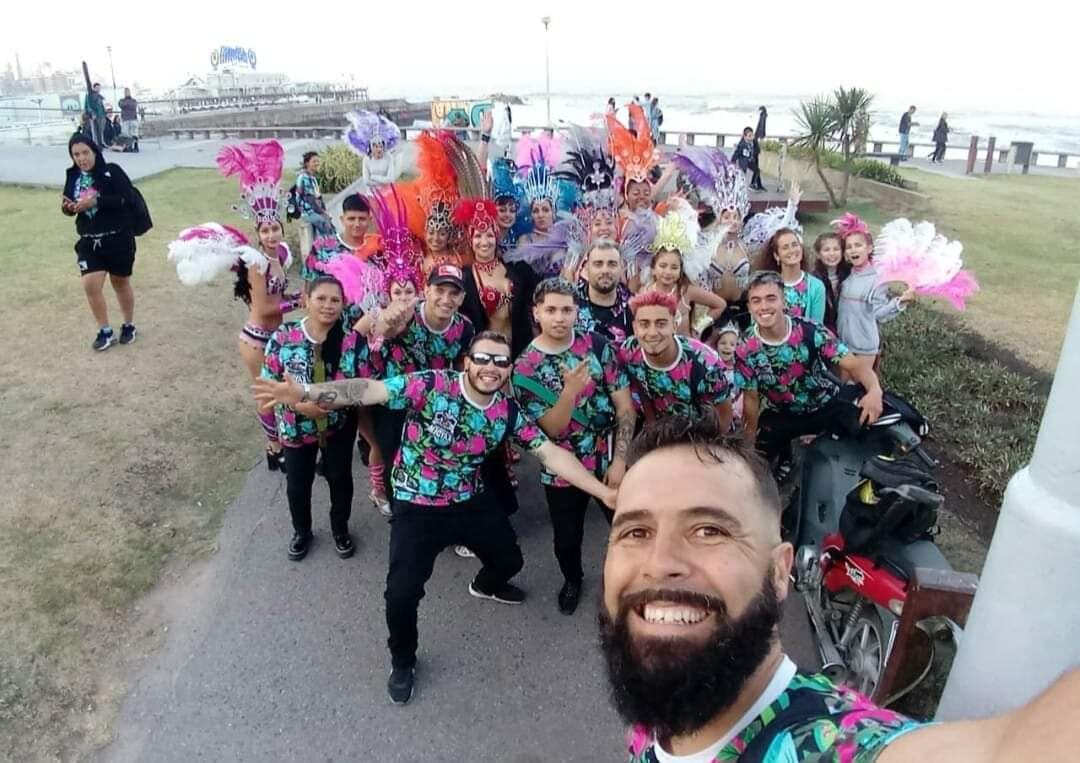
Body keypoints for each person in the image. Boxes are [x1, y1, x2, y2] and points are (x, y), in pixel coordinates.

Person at [603, 414, 1080, 761]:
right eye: (635, 532)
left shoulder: (833, 744)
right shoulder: (665, 695)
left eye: (709, 530)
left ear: (778, 571)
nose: (659, 563)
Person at [253, 330, 618, 705]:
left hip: (467, 500)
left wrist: (601, 491)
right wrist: (306, 394)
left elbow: (552, 455)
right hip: (416, 504)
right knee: (401, 593)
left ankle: (485, 585)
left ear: (509, 370)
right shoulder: (432, 384)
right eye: (483, 359)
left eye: (500, 361)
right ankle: (402, 660)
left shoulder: (507, 413)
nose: (491, 368)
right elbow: (369, 390)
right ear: (467, 362)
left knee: (510, 560)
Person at [167, 138, 300, 471]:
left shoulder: (281, 254)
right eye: (265, 230)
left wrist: (297, 300)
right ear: (257, 233)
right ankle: (274, 448)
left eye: (275, 228)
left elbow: (278, 299)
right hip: (256, 339)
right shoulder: (257, 263)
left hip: (275, 336)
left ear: (282, 228)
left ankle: (286, 443)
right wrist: (300, 302)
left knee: (284, 390)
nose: (271, 234)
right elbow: (266, 309)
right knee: (267, 395)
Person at [512, 278, 636, 615]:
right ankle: (573, 579)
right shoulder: (524, 369)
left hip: (609, 453)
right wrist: (568, 392)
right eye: (550, 310)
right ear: (536, 312)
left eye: (567, 309)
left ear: (576, 311)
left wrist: (620, 460)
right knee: (567, 538)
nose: (559, 317)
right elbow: (553, 429)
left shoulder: (597, 346)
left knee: (629, 526)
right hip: (562, 466)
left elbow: (625, 407)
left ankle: (631, 580)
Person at [734, 270, 884, 468]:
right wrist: (749, 445)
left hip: (825, 403)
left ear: (784, 301)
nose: (764, 307)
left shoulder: (810, 330)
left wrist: (875, 391)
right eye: (756, 300)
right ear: (750, 307)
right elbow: (751, 401)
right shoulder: (745, 348)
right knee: (758, 463)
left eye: (771, 298)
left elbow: (855, 365)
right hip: (783, 412)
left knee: (864, 425)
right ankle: (786, 459)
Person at [261, 275, 359, 561]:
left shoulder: (349, 339)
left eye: (335, 300)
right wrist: (302, 406)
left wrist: (322, 405)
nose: (328, 306)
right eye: (321, 298)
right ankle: (301, 531)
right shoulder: (283, 336)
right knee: (297, 484)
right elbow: (270, 383)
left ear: (343, 305)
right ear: (306, 300)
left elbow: (351, 384)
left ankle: (340, 528)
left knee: (340, 479)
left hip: (336, 425)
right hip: (294, 428)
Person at [62, 134, 138, 350]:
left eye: (85, 152)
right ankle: (105, 330)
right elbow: (67, 203)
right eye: (76, 154)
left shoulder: (112, 171)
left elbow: (126, 198)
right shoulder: (73, 176)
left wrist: (96, 202)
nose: (81, 158)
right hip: (89, 240)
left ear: (94, 151)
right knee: (90, 284)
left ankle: (128, 324)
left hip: (118, 238)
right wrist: (68, 208)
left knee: (120, 283)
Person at [617, 290, 733, 431]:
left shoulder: (706, 363)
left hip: (702, 434)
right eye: (644, 324)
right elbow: (641, 387)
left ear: (674, 325)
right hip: (660, 431)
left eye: (661, 324)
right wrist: (652, 429)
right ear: (635, 328)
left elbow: (724, 415)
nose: (652, 333)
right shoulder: (629, 350)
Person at [833, 213, 914, 376]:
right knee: (843, 391)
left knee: (861, 391)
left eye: (858, 245)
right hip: (843, 344)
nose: (853, 249)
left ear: (869, 248)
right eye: (849, 247)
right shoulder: (848, 275)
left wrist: (899, 302)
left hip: (864, 346)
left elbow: (878, 314)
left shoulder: (877, 278)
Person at [456, 198, 537, 359]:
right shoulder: (464, 278)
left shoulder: (518, 270)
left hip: (520, 351)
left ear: (497, 237)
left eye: (489, 236)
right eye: (478, 236)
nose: (484, 242)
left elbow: (542, 296)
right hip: (486, 356)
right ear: (471, 241)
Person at [635, 201, 726, 337]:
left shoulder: (686, 291)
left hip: (685, 353)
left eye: (674, 267)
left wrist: (698, 327)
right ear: (653, 269)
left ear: (680, 270)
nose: (668, 272)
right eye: (663, 266)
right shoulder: (645, 292)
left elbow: (720, 304)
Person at [757, 228, 826, 324]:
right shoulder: (765, 286)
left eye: (795, 245)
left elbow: (817, 326)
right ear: (777, 256)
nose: (792, 250)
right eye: (785, 247)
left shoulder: (816, 286)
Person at [302, 193, 376, 281]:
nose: (357, 224)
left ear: (370, 220)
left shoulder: (377, 250)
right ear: (342, 220)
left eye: (362, 219)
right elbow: (308, 283)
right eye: (351, 219)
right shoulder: (321, 247)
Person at [573, 240, 634, 344]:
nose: (605, 270)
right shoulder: (571, 302)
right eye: (598, 264)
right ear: (587, 268)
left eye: (612, 264)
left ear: (622, 268)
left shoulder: (634, 307)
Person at [344, 110, 402, 191]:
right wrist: (383, 180)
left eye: (381, 146)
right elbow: (366, 181)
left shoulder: (388, 157)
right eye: (375, 146)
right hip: (371, 196)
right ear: (371, 147)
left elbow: (391, 179)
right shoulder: (367, 159)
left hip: (387, 195)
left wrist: (373, 177)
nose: (379, 149)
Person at [295, 152, 334, 261]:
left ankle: (325, 250)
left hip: (315, 211)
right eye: (314, 161)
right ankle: (324, 253)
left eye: (317, 161)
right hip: (307, 211)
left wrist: (325, 211)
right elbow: (310, 200)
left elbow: (319, 197)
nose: (317, 163)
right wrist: (322, 212)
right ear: (307, 163)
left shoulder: (313, 178)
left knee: (328, 221)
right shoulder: (304, 178)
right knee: (323, 222)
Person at [810, 231, 849, 332]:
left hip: (847, 328)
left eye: (836, 249)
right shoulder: (814, 280)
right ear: (818, 254)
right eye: (826, 250)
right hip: (825, 329)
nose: (832, 254)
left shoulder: (849, 274)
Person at [83, 83, 107, 148]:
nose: (98, 89)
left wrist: (105, 114)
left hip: (101, 115)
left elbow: (104, 105)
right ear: (94, 88)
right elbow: (88, 106)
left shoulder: (100, 96)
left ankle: (101, 142)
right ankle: (96, 143)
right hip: (95, 116)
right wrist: (92, 113)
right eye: (97, 87)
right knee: (95, 130)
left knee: (101, 130)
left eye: (99, 88)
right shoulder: (89, 95)